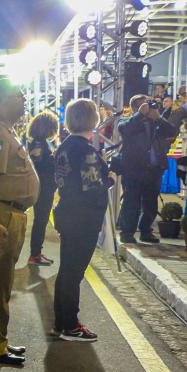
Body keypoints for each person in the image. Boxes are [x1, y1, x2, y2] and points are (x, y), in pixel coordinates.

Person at [0, 78, 40, 366]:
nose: (24, 99)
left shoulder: (6, 130)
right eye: (18, 95)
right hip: (2, 214)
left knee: (2, 282)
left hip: (11, 212)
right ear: (3, 101)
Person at [53, 99, 110, 342]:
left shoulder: (65, 145)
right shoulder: (85, 150)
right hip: (83, 218)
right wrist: (111, 177)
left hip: (68, 213)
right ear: (92, 119)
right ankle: (70, 325)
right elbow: (93, 186)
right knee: (73, 273)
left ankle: (62, 321)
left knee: (67, 270)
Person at [116, 94, 179, 244]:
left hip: (154, 169)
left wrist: (159, 118)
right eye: (146, 104)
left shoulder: (157, 123)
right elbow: (125, 130)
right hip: (134, 169)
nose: (149, 107)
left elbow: (172, 132)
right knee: (132, 202)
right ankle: (127, 233)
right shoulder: (127, 121)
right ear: (136, 107)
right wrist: (140, 115)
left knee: (151, 203)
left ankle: (146, 231)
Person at [25, 111, 60, 266]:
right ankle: (35, 255)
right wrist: (54, 159)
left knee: (41, 220)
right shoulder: (39, 143)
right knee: (41, 220)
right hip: (43, 187)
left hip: (43, 186)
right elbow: (38, 165)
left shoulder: (38, 142)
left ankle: (36, 253)